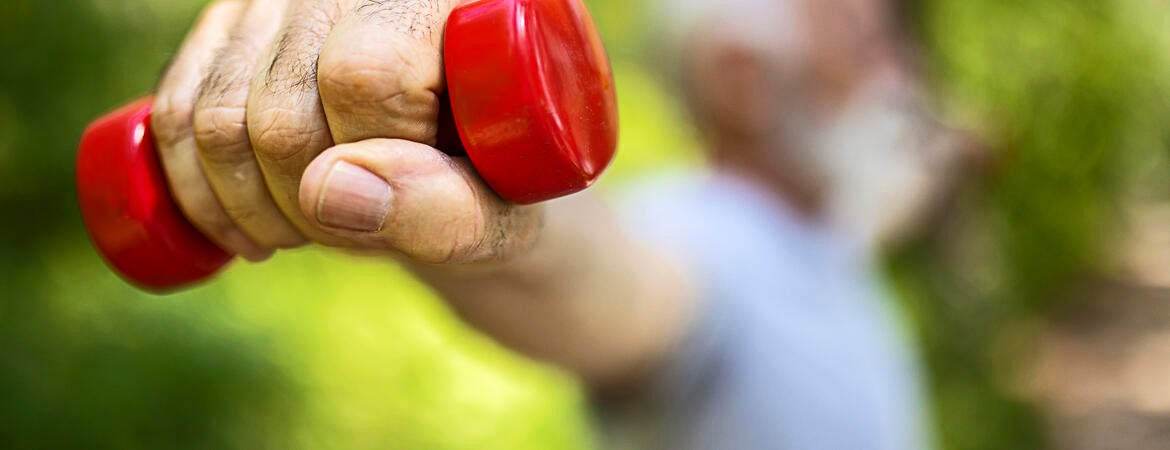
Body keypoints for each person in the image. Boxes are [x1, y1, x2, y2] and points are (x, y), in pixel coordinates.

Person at [148, 0, 971, 448]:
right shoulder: (706, 237)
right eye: (862, 42)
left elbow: (878, 212)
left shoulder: (823, 247)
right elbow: (610, 290)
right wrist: (500, 226)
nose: (901, 77)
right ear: (741, 80)